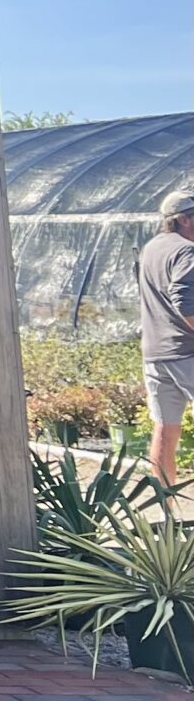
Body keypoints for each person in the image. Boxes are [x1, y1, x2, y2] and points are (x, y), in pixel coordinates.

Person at [140, 186, 194, 489]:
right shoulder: (186, 250)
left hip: (156, 354)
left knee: (165, 429)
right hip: (186, 352)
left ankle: (166, 510)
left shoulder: (153, 248)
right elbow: (185, 300)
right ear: (184, 219)